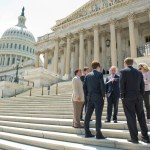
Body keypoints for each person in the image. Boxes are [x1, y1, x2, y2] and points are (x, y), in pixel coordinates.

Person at [120, 57, 150, 144]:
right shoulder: (139, 72)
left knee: (131, 117)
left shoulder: (123, 72)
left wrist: (122, 96)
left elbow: (122, 85)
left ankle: (134, 138)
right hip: (138, 97)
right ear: (132, 63)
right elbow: (142, 86)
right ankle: (145, 137)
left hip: (128, 98)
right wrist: (141, 95)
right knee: (141, 117)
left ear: (125, 63)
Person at [84, 61, 105, 139]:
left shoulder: (87, 75)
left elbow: (84, 87)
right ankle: (98, 133)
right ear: (98, 67)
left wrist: (87, 96)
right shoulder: (99, 74)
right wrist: (103, 95)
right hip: (98, 97)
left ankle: (87, 132)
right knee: (98, 115)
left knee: (87, 115)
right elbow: (102, 85)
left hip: (90, 97)